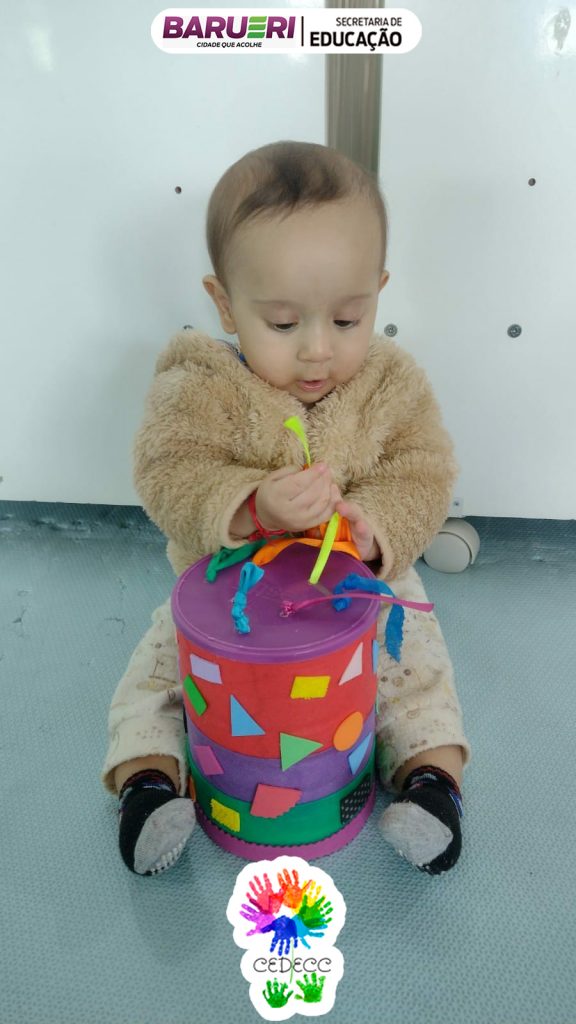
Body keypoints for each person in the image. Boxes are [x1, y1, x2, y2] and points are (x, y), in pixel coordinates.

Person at [102, 140, 471, 878]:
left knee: (416, 666)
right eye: (282, 323)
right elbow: (167, 469)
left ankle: (431, 784)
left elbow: (424, 471)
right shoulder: (199, 382)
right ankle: (148, 785)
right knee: (158, 670)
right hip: (224, 594)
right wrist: (248, 503)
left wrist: (373, 528)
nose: (317, 351)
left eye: (347, 319)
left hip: (359, 588)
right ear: (224, 304)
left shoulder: (390, 383)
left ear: (378, 292)